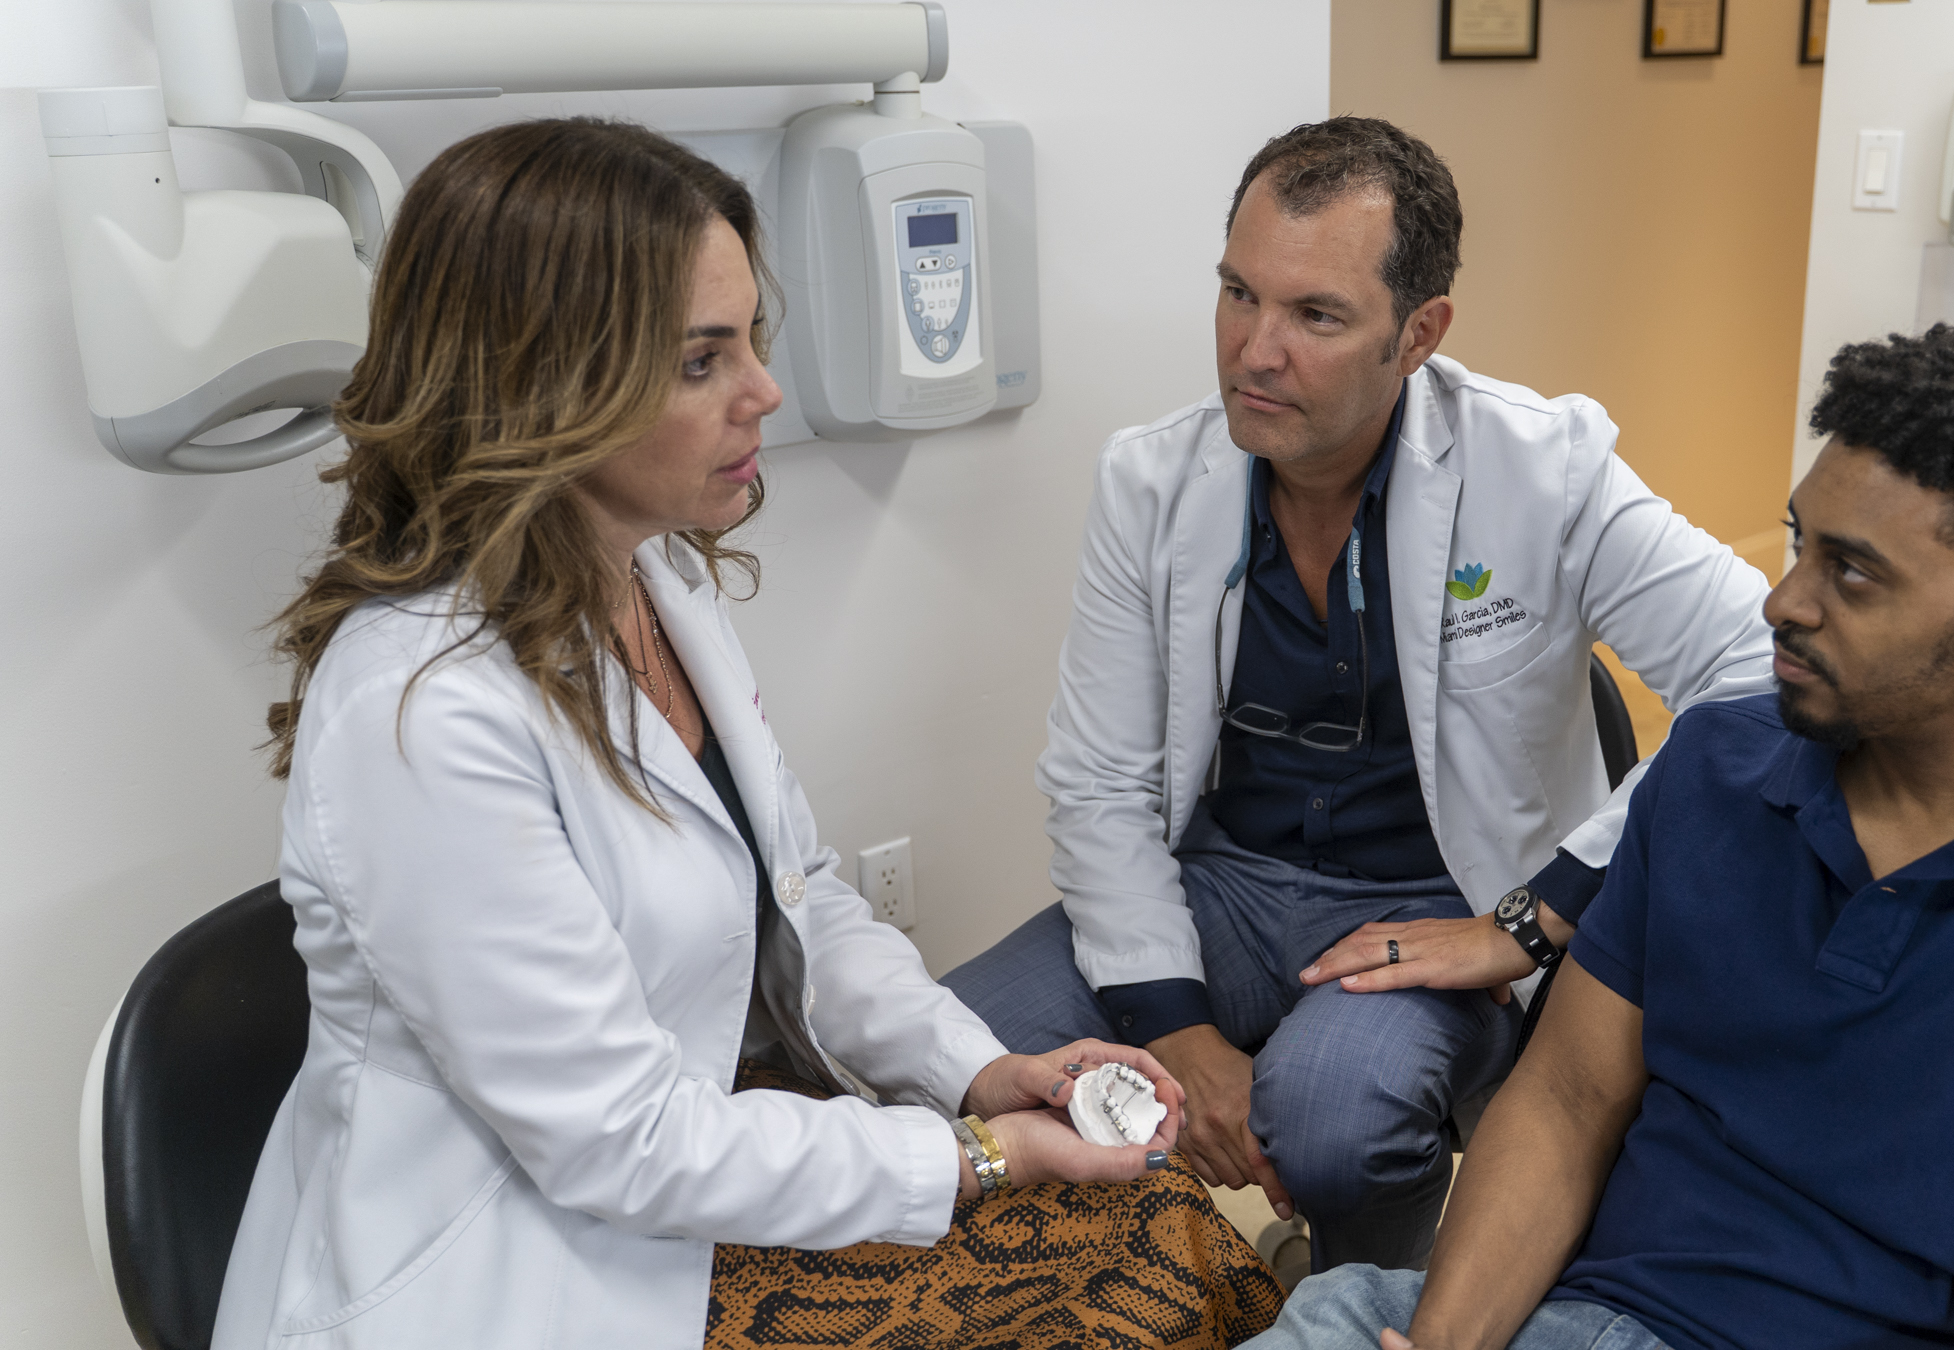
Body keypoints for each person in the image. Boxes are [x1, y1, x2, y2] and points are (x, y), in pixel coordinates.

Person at [213, 118, 1282, 1350]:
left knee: (1165, 1226)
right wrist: (975, 1156)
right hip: (522, 1262)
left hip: (687, 1172)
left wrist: (978, 1073)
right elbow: (618, 1141)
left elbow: (803, 900)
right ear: (544, 386)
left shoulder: (656, 579)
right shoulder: (421, 712)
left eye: (752, 341)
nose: (765, 391)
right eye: (702, 360)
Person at [1244, 321, 1954, 1350]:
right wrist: (1447, 1342)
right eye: (1800, 543)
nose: (1784, 600)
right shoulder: (1716, 769)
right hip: (1569, 1317)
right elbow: (1568, 1101)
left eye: (1853, 572)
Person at [941, 116, 1776, 1274]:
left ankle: (1355, 1295)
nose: (1252, 351)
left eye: (1315, 316)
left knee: (1328, 1118)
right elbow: (1099, 782)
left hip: (1438, 889)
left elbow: (1760, 670)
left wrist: (1529, 921)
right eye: (1239, 294)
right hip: (1227, 879)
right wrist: (1173, 1025)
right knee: (954, 1051)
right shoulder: (1153, 481)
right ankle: (1178, 1287)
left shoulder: (1547, 468)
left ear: (1418, 334)